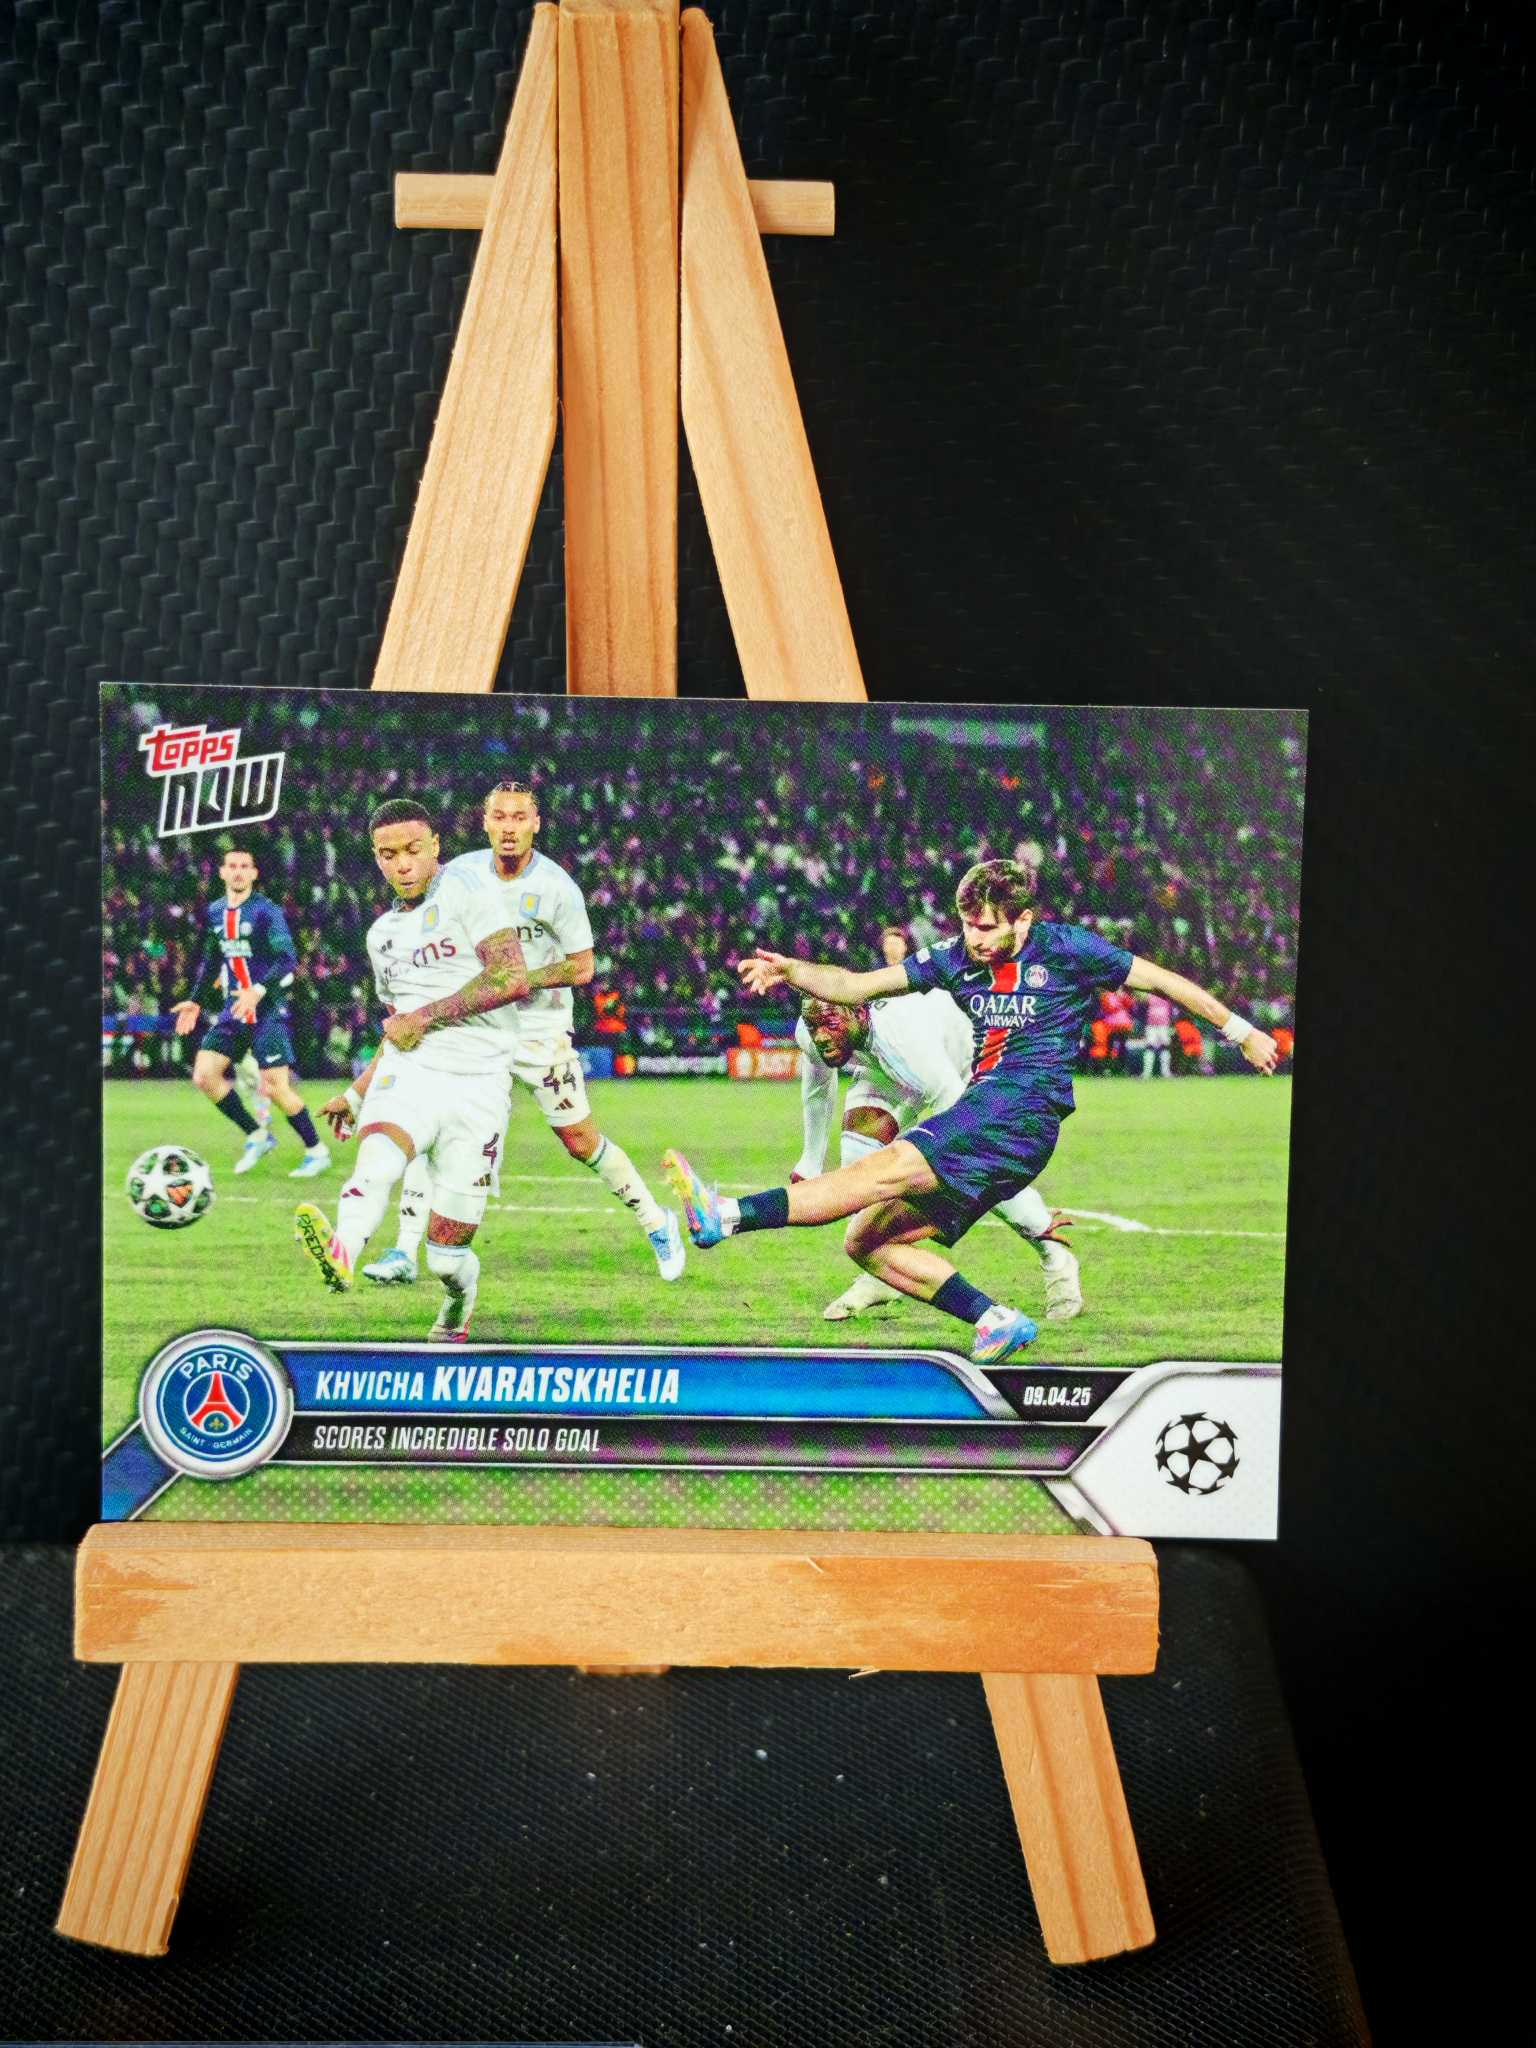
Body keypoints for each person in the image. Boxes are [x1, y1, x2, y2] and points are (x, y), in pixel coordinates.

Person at [664, 858, 1280, 1366]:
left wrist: (1242, 1031)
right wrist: (792, 970)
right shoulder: (955, 956)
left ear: (1023, 920)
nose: (976, 938)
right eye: (967, 925)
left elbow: (1164, 981)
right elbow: (856, 987)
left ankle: (726, 1216)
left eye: (987, 927)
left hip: (1021, 1109)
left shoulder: (1067, 949)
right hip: (995, 1120)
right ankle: (993, 1319)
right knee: (868, 1241)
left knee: (877, 1173)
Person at [360, 778, 683, 1287]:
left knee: (580, 1140)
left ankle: (657, 1221)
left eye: (518, 817)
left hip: (538, 1029)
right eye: (499, 817)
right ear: (485, 823)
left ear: (535, 824)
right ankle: (403, 1249)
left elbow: (582, 967)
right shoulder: (459, 875)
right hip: (473, 1026)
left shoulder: (557, 887)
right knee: (432, 1126)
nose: (509, 828)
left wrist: (514, 979)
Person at [294, 798, 531, 1340]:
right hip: (413, 1072)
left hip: (479, 1085)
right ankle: (343, 1251)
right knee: (376, 1160)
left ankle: (458, 1300)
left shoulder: (472, 893)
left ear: (435, 847)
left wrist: (426, 1015)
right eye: (387, 855)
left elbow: (511, 977)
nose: (401, 864)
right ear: (375, 858)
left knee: (446, 1257)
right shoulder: (381, 935)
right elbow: (398, 1030)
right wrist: (357, 1095)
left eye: (412, 850)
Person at [794, 993, 1083, 1321]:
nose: (820, 1036)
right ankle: (881, 1273)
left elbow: (970, 1132)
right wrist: (810, 1160)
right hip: (885, 1065)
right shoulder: (812, 1029)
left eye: (829, 1024)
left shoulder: (907, 1043)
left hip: (964, 1061)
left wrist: (1030, 1212)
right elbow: (817, 1085)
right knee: (857, 1158)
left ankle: (1055, 1257)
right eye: (814, 1026)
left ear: (858, 1012)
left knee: (970, 1165)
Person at [170, 845, 330, 1178]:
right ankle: (258, 1135)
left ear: (254, 873)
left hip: (266, 1010)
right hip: (233, 1010)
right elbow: (213, 960)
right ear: (222, 872)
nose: (239, 871)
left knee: (274, 1088)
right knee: (204, 1075)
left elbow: (287, 958)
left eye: (245, 866)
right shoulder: (216, 911)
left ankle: (317, 1151)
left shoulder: (266, 912)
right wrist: (196, 1000)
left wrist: (257, 991)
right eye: (232, 866)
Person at [1140, 991, 1174, 1079]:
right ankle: (1147, 1073)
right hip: (1151, 1024)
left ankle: (1165, 1072)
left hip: (1164, 1024)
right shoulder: (1149, 994)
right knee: (1150, 1047)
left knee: (1164, 1047)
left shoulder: (1168, 993)